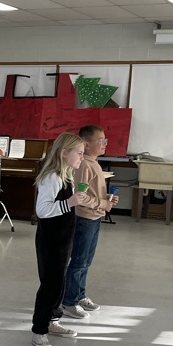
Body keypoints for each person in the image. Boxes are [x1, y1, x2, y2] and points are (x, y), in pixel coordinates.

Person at [31, 132, 100, 346]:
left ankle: (53, 321)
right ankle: (39, 330)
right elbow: (42, 210)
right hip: (51, 240)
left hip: (63, 239)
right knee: (50, 285)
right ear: (63, 153)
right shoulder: (52, 177)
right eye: (78, 153)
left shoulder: (67, 174)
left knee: (59, 282)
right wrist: (69, 202)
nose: (82, 157)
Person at [62, 125, 118, 319]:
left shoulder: (94, 162)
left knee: (86, 261)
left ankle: (79, 295)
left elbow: (91, 193)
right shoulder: (84, 165)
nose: (104, 144)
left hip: (94, 217)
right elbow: (80, 196)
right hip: (84, 218)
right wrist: (102, 203)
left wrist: (107, 198)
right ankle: (69, 301)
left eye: (105, 140)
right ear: (86, 145)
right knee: (78, 261)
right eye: (100, 141)